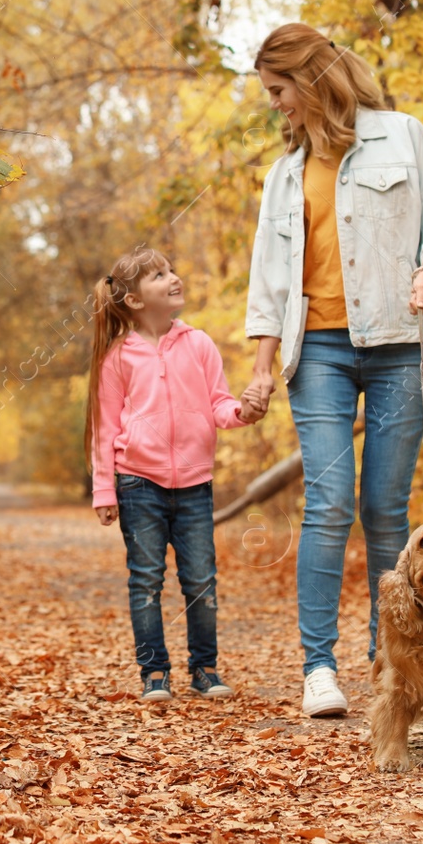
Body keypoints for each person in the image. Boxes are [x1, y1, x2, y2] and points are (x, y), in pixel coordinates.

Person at [241, 23, 423, 718]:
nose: (276, 104)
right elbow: (269, 280)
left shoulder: (404, 135)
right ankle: (318, 668)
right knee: (330, 500)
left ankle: (387, 660)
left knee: (385, 509)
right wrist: (259, 366)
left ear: (308, 80)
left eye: (279, 90)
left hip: (404, 339)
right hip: (322, 351)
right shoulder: (285, 175)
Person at [87, 246, 262, 702]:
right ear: (135, 300)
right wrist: (104, 488)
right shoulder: (118, 358)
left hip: (194, 484)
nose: (172, 278)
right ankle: (154, 673)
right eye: (158, 275)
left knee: (201, 579)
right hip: (137, 482)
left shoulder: (199, 343)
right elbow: (105, 427)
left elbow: (219, 404)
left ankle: (204, 668)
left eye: (170, 270)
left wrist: (243, 411)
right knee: (145, 578)